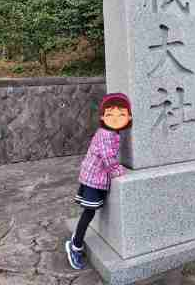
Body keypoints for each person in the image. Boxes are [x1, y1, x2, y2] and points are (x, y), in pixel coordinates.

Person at [65, 92, 132, 270]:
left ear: (128, 116)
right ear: (103, 116)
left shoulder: (113, 132)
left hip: (97, 178)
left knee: (92, 211)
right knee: (89, 212)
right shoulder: (106, 133)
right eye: (111, 114)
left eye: (121, 114)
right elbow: (107, 156)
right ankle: (75, 245)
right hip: (93, 179)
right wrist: (117, 170)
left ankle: (76, 242)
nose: (116, 118)